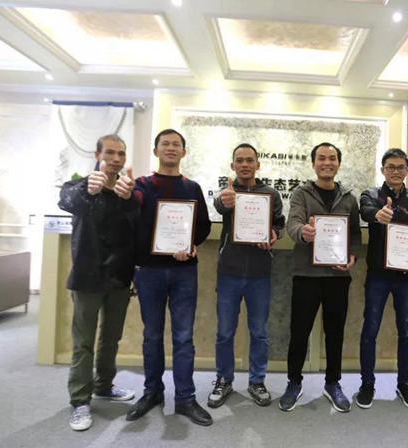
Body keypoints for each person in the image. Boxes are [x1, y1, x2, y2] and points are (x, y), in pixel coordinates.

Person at [126, 129, 213, 426]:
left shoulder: (192, 188)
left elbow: (202, 227)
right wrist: (125, 192)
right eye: (165, 144)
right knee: (152, 336)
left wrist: (190, 244)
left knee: (183, 337)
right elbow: (132, 211)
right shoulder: (142, 185)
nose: (171, 148)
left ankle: (185, 398)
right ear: (156, 151)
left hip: (183, 271)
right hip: (148, 271)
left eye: (176, 144)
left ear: (184, 152)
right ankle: (152, 392)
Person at [57, 134, 138, 431]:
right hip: (87, 277)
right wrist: (88, 190)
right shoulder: (79, 186)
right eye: (110, 153)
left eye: (121, 154)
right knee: (83, 342)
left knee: (111, 337)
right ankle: (80, 400)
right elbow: (67, 202)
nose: (116, 159)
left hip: (119, 277)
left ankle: (104, 385)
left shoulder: (127, 191)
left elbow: (137, 229)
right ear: (97, 155)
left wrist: (130, 201)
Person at [279, 142, 362, 413]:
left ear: (339, 163)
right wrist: (303, 232)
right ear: (313, 164)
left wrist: (352, 255)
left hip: (338, 276)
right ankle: (294, 382)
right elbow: (292, 223)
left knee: (335, 333)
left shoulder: (349, 198)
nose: (327, 162)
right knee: (299, 331)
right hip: (307, 275)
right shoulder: (301, 194)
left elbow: (355, 235)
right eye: (322, 158)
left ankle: (333, 383)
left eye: (332, 158)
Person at [207, 143, 286, 408]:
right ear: (233, 165)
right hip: (228, 272)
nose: (244, 165)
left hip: (259, 274)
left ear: (257, 165)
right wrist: (223, 201)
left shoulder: (271, 194)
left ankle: (257, 381)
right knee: (224, 332)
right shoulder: (227, 192)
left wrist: (274, 234)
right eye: (239, 160)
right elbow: (220, 205)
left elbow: (279, 224)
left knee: (259, 332)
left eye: (249, 160)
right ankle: (224, 380)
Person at [356, 148, 408, 411]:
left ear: (407, 170)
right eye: (390, 167)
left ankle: (404, 383)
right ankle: (367, 383)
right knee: (370, 329)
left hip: (407, 277)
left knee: (407, 332)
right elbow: (365, 211)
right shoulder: (371, 195)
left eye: (400, 167)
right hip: (378, 274)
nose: (395, 171)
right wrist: (378, 215)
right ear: (383, 170)